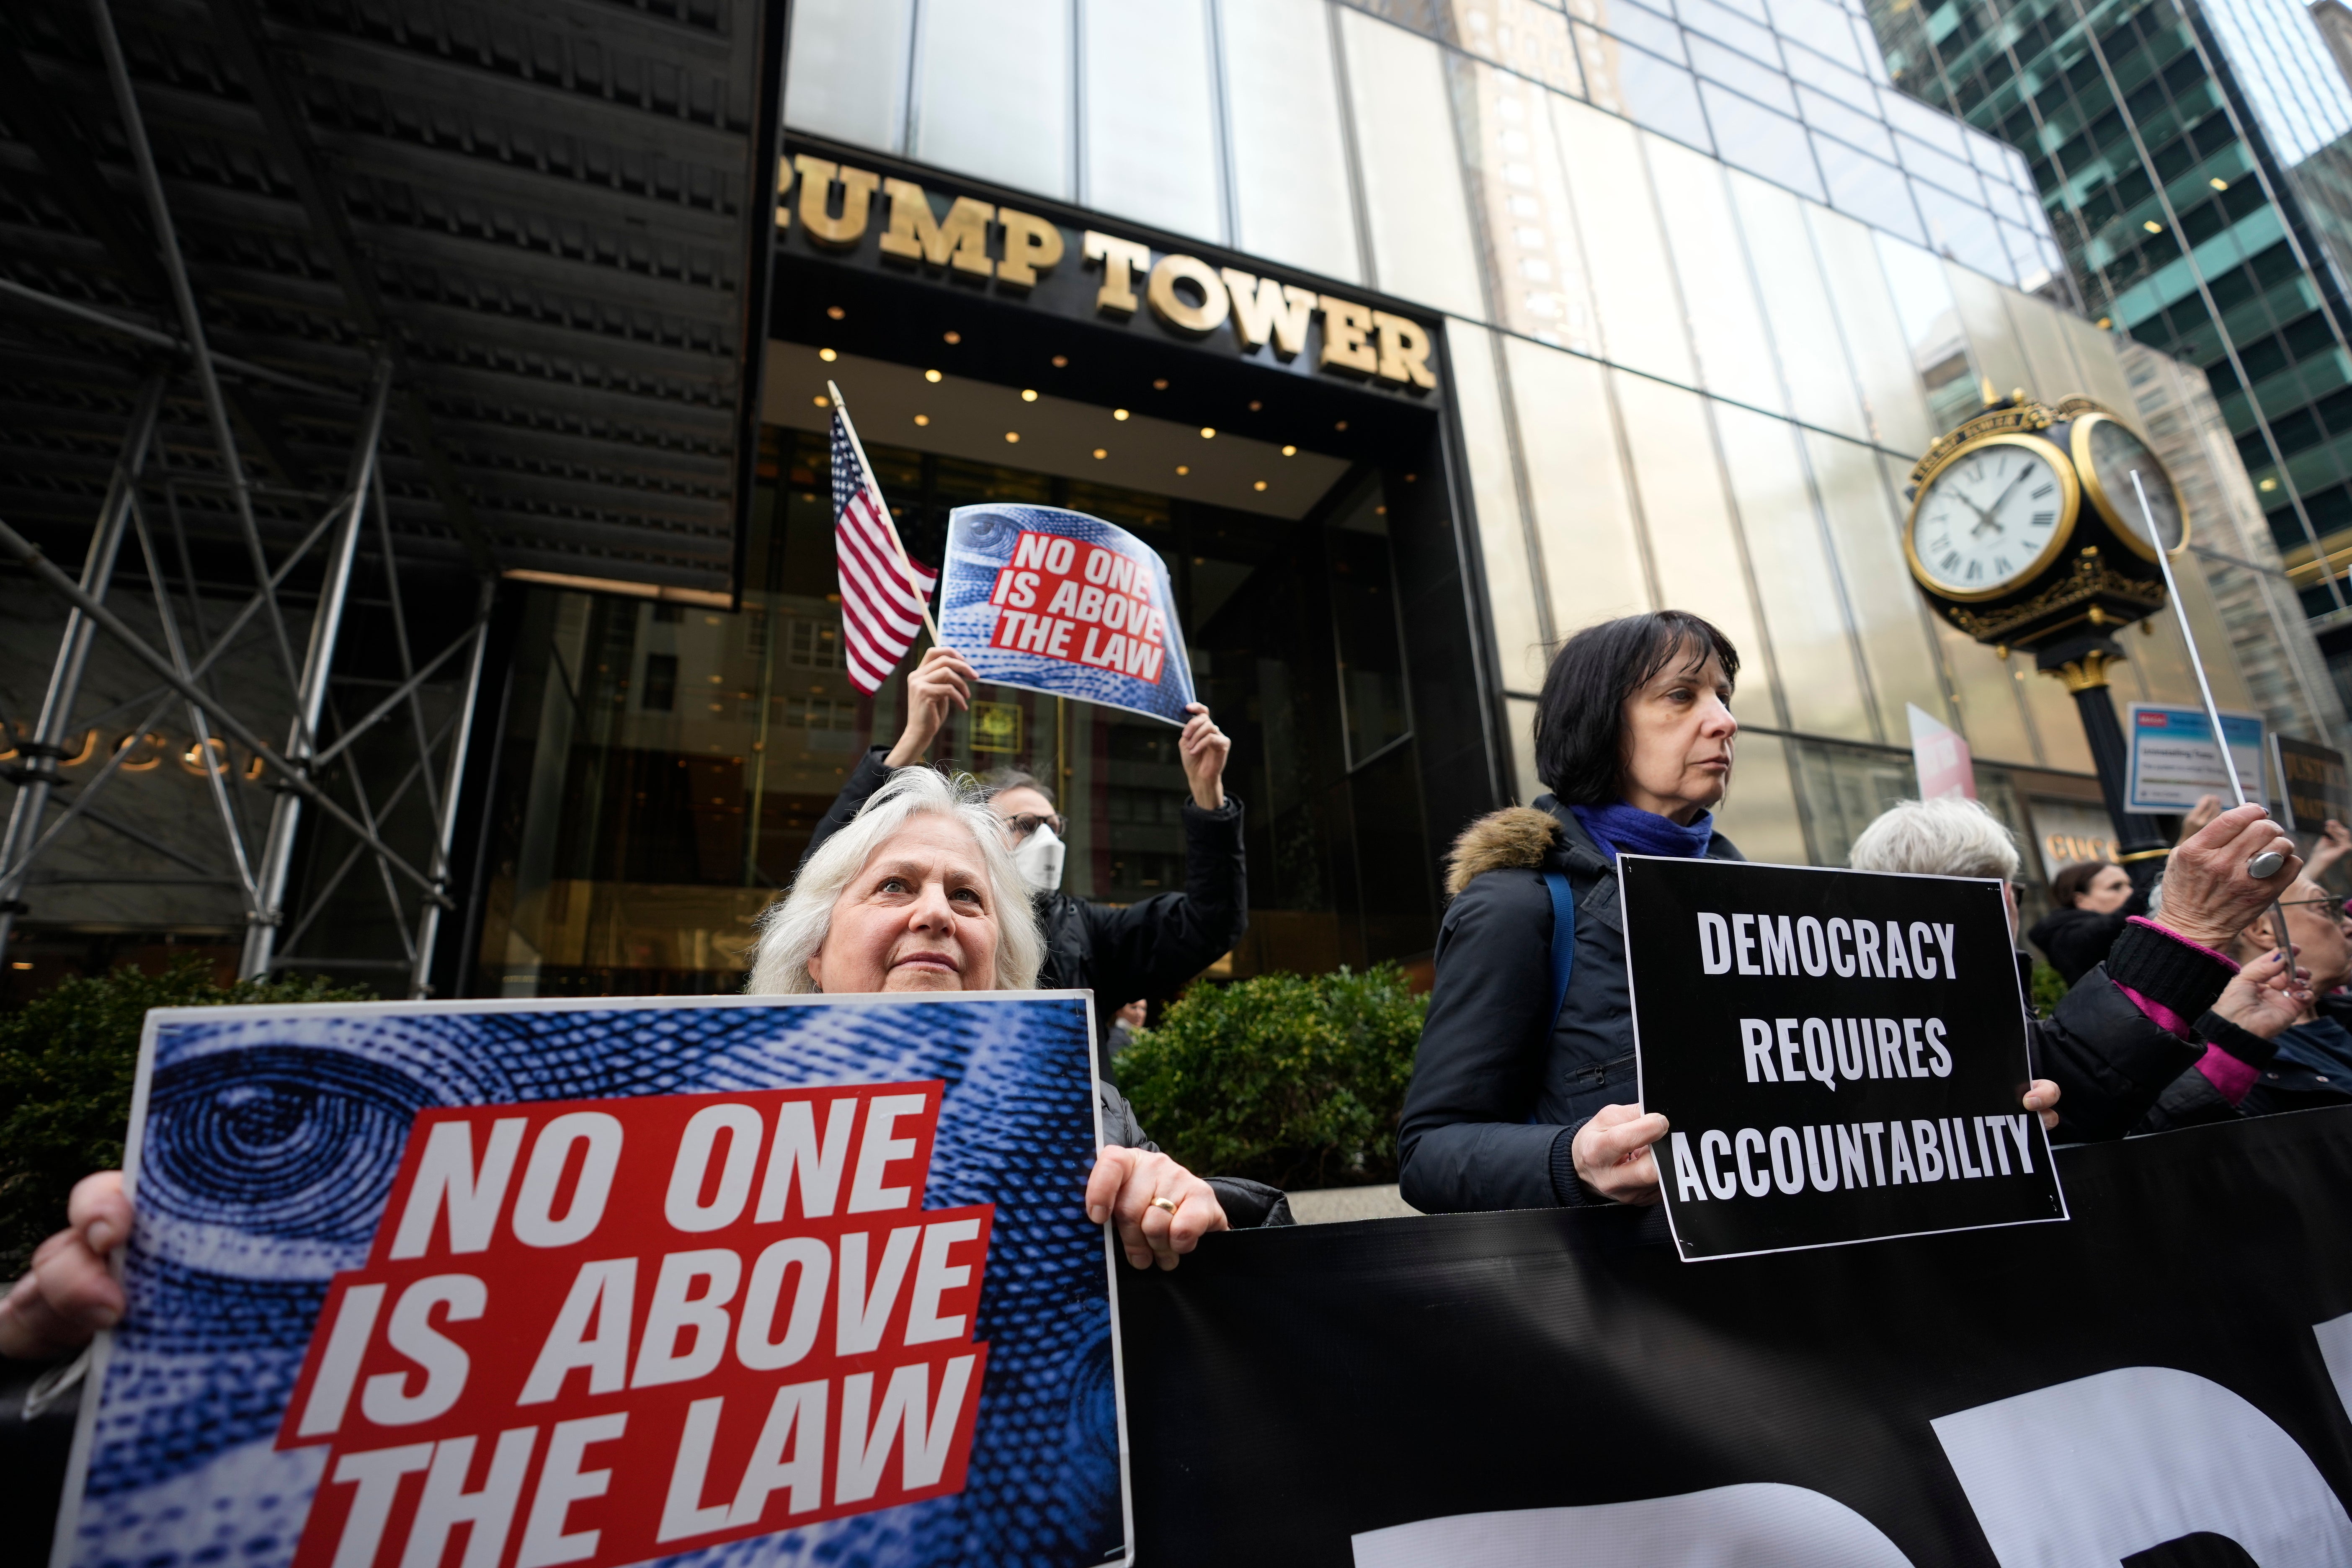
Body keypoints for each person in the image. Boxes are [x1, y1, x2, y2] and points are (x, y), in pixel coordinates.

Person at [1398, 611, 2060, 1216]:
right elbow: (1430, 1155)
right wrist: (1573, 1160)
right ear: (1599, 722)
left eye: (1723, 697)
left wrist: (1977, 1106)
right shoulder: (1521, 906)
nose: (1723, 721)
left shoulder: (1782, 912)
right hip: (1632, 1318)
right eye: (1682, 696)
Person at [750, 764, 1287, 1264]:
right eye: (895, 886)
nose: (937, 914)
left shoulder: (1090, 1122)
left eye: (966, 895)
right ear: (813, 950)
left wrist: (1187, 1222)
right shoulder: (721, 1112)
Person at [803, 646, 1246, 1036]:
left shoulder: (1087, 932)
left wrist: (1210, 800)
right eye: (1028, 825)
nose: (1049, 840)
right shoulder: (919, 915)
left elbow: (1210, 922)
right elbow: (822, 878)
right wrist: (908, 745)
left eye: (1056, 825)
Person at [1847, 796, 2304, 1141]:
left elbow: (2104, 1127)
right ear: (2004, 895)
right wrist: (2190, 929)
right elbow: (2081, 1106)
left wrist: (2232, 1040)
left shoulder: (1841, 1023)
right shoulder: (1955, 1006)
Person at [2028, 796, 2225, 985]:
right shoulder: (2067, 938)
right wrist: (2183, 844)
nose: (2129, 893)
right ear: (2081, 900)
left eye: (2129, 885)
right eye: (2115, 887)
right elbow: (2123, 919)